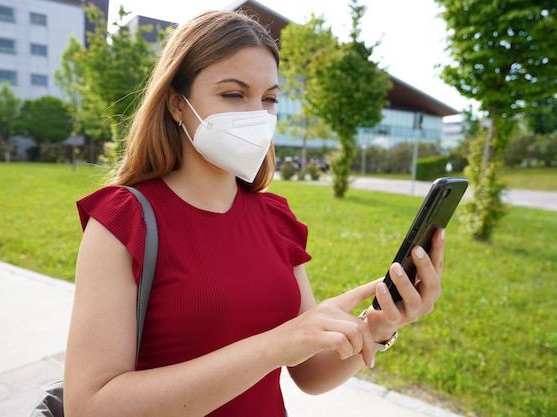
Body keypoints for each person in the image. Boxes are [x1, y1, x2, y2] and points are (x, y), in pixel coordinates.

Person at [64, 10, 444, 417]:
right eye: (233, 94)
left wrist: (378, 325)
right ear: (177, 103)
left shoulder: (275, 218)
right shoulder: (125, 220)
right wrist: (273, 345)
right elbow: (89, 407)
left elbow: (310, 374)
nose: (257, 115)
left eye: (269, 98)